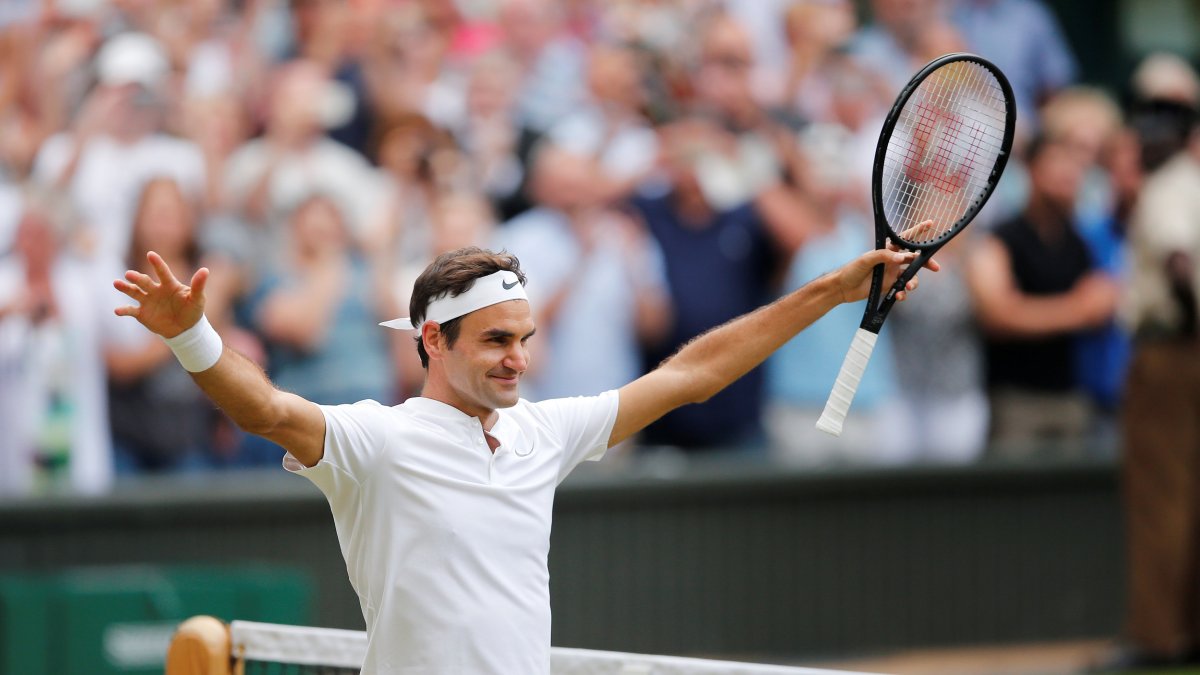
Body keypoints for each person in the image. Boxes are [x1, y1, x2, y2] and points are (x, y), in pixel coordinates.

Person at [113, 230, 934, 673]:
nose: (518, 358)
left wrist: (833, 289)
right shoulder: (377, 439)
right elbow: (263, 407)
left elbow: (693, 374)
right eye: (496, 340)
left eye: (525, 338)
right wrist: (191, 335)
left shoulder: (543, 431)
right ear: (434, 341)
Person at [1108, 105, 1200, 670]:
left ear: (1181, 139)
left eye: (1156, 132)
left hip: (1172, 351)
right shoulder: (1192, 182)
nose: (1143, 141)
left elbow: (1177, 261)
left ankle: (1156, 635)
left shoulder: (1166, 187)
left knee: (1160, 495)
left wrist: (1188, 320)